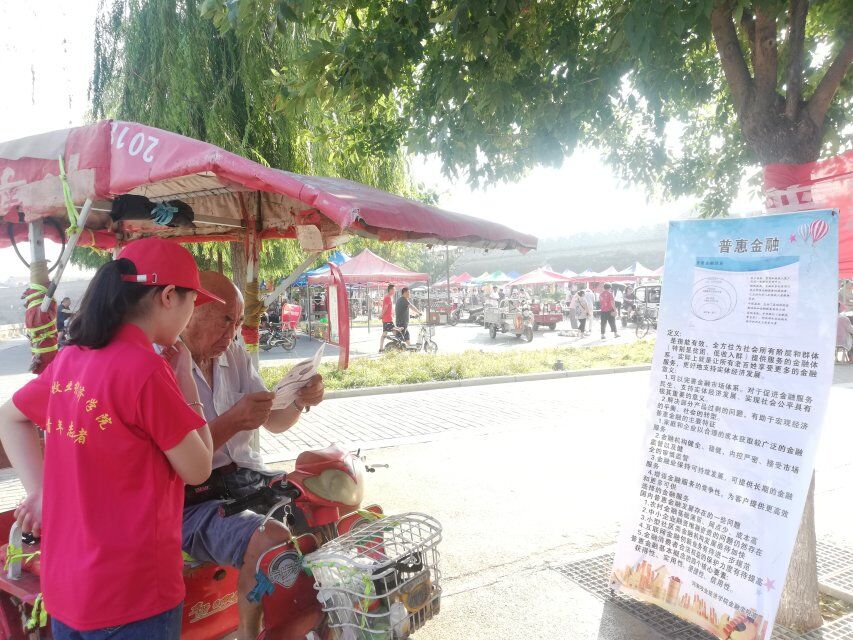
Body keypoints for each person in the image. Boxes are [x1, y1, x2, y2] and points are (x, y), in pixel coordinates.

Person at [0, 238, 216, 639]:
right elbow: (199, 468)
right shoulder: (146, 369)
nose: (191, 316)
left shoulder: (72, 357)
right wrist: (187, 381)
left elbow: (9, 417)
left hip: (68, 590)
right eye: (193, 301)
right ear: (169, 296)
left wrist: (41, 491)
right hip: (132, 594)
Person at [180, 271, 324, 640]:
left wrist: (299, 399)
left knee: (322, 500)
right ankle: (249, 634)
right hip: (192, 498)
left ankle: (317, 619)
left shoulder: (234, 354)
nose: (232, 333)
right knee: (269, 538)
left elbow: (274, 421)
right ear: (191, 311)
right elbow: (179, 463)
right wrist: (232, 421)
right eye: (226, 320)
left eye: (239, 322)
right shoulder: (164, 364)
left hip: (244, 477)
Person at [379, 283, 395, 352]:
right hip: (388, 319)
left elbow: (385, 307)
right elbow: (385, 308)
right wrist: (381, 315)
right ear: (390, 290)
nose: (394, 291)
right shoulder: (388, 297)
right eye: (394, 289)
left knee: (385, 333)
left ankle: (381, 348)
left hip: (387, 318)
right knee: (395, 332)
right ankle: (396, 346)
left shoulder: (388, 297)